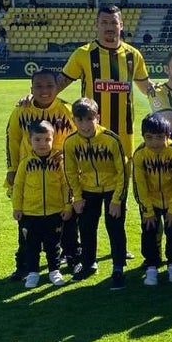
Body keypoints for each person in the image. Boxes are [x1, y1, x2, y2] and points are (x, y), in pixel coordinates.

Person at [58, 5, 156, 155]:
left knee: (123, 175)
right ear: (97, 25)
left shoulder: (133, 55)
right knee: (92, 174)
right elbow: (59, 83)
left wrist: (166, 89)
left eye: (114, 23)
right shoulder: (83, 54)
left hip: (124, 131)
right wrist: (33, 96)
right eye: (104, 23)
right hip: (91, 129)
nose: (109, 27)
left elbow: (145, 87)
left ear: (121, 25)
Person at [63, 98, 130, 288]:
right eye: (80, 120)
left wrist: (117, 200)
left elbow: (123, 171)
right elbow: (70, 171)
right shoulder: (70, 142)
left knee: (115, 227)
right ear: (74, 120)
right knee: (86, 227)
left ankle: (118, 268)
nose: (85, 125)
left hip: (112, 188)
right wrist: (77, 197)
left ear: (97, 117)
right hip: (87, 190)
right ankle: (88, 264)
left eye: (89, 119)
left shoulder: (111, 139)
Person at [11, 121, 72, 289]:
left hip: (54, 212)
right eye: (38, 140)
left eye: (47, 139)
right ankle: (33, 273)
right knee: (32, 246)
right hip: (30, 214)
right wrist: (17, 207)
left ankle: (54, 271)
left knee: (54, 245)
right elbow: (18, 187)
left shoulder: (59, 162)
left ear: (53, 139)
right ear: (30, 141)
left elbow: (66, 185)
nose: (43, 144)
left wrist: (67, 206)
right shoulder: (26, 163)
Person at [131, 113, 172, 287]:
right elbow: (139, 184)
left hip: (171, 200)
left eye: (159, 137)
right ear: (143, 137)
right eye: (149, 137)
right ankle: (152, 265)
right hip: (150, 201)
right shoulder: (140, 154)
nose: (154, 142)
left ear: (168, 136)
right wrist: (147, 210)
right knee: (149, 231)